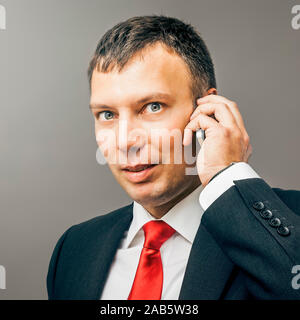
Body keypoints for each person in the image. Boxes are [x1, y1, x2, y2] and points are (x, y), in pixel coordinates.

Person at [47, 15, 300, 300]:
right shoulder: (74, 249)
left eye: (153, 106)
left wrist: (227, 175)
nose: (126, 141)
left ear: (208, 111)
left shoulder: (289, 220)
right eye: (107, 115)